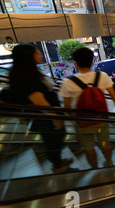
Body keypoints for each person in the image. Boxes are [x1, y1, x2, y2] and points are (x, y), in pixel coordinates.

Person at [59, 47, 115, 169]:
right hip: (102, 119)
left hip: (83, 122)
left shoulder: (68, 82)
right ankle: (109, 163)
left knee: (89, 148)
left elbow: (67, 107)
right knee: (105, 142)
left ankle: (95, 169)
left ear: (76, 63)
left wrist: (73, 120)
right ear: (92, 61)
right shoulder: (103, 76)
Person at [8, 44, 74, 174]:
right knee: (54, 140)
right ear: (28, 57)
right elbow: (39, 101)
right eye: (37, 53)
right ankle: (58, 166)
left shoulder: (26, 72)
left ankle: (58, 161)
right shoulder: (25, 76)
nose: (41, 55)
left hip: (42, 117)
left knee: (55, 138)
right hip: (44, 118)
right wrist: (55, 118)